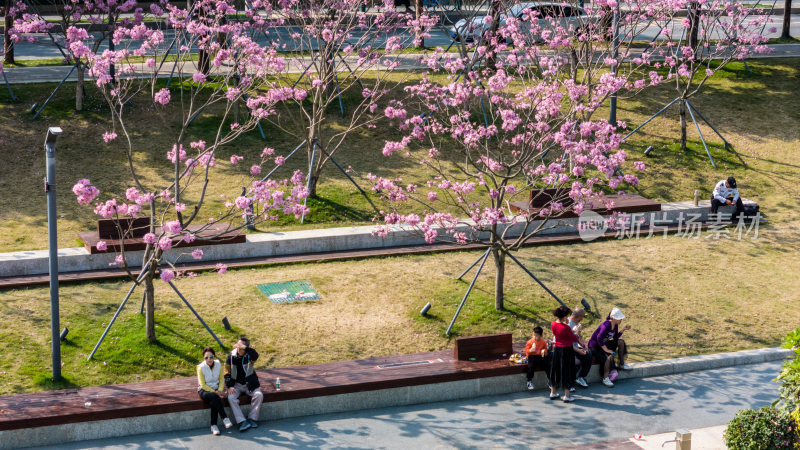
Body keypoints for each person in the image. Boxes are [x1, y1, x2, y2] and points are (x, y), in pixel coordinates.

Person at [224, 337, 264, 432]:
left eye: (240, 346)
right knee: (231, 398)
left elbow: (256, 355)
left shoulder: (250, 356)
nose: (238, 347)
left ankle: (252, 418)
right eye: (237, 345)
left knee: (259, 395)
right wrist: (229, 386)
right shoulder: (231, 356)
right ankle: (242, 421)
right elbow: (226, 372)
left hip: (250, 384)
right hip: (236, 384)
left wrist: (245, 348)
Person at [550, 305, 587, 403]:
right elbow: (573, 338)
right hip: (566, 350)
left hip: (557, 349)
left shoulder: (553, 324)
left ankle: (553, 392)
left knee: (555, 370)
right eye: (567, 316)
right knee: (567, 372)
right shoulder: (565, 327)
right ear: (564, 316)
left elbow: (559, 333)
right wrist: (576, 330)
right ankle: (567, 395)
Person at [588, 307, 633, 388]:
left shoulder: (615, 325)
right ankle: (605, 378)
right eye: (619, 318)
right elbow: (599, 338)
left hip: (603, 343)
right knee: (607, 357)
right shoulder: (606, 325)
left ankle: (621, 364)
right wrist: (606, 349)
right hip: (595, 346)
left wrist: (623, 330)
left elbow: (615, 338)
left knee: (621, 342)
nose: (621, 320)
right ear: (613, 318)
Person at [197, 347, 233, 436]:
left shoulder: (218, 364)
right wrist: (215, 392)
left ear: (214, 356)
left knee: (214, 400)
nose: (209, 359)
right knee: (214, 396)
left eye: (211, 357)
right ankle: (224, 418)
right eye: (206, 357)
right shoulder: (200, 368)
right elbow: (202, 384)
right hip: (204, 390)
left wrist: (220, 390)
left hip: (217, 389)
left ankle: (214, 426)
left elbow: (221, 379)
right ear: (204, 358)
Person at [568, 308, 592, 388]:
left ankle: (581, 377)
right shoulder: (568, 324)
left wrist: (581, 342)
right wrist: (579, 350)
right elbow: (568, 343)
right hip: (567, 349)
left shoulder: (575, 323)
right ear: (578, 316)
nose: (582, 319)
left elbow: (575, 337)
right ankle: (570, 382)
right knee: (577, 363)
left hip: (575, 348)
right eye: (582, 317)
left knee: (588, 356)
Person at [524, 326, 551, 391]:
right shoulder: (530, 342)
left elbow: (546, 350)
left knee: (548, 365)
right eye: (533, 335)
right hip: (532, 356)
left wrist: (544, 351)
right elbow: (526, 350)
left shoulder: (543, 342)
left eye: (536, 336)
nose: (534, 337)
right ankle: (529, 381)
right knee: (531, 366)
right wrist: (530, 350)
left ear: (540, 336)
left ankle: (550, 380)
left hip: (540, 356)